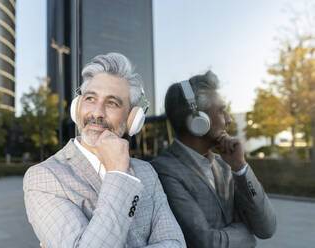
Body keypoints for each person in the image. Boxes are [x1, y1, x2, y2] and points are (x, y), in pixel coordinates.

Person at [23, 53, 186, 248]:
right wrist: (118, 173)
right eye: (90, 99)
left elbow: (175, 243)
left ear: (132, 119)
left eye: (112, 103)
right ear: (77, 107)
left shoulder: (147, 173)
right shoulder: (44, 177)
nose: (97, 112)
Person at [151, 71, 276, 248]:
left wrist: (240, 168)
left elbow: (266, 228)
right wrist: (247, 235)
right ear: (198, 120)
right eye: (221, 111)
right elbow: (206, 242)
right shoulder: (163, 171)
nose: (229, 119)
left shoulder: (226, 165)